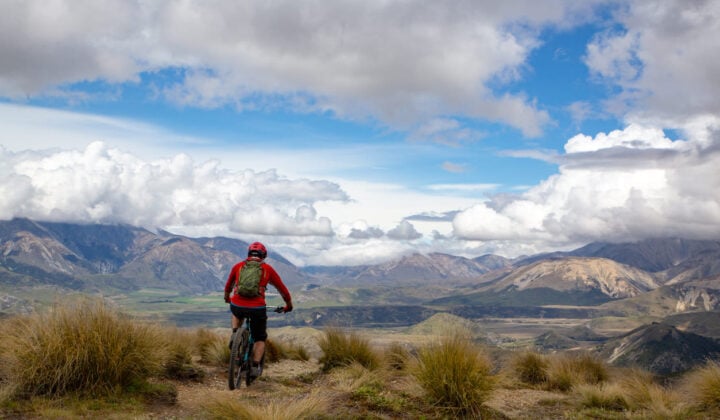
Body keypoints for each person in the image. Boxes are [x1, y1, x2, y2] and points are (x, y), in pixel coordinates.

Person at [224, 241, 293, 379]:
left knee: (236, 312)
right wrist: (288, 305)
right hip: (257, 308)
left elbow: (228, 286)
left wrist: (227, 298)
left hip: (238, 305)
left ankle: (235, 334)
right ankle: (255, 365)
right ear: (263, 255)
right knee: (260, 338)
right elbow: (283, 290)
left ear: (249, 253)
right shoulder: (268, 270)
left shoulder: (238, 267)